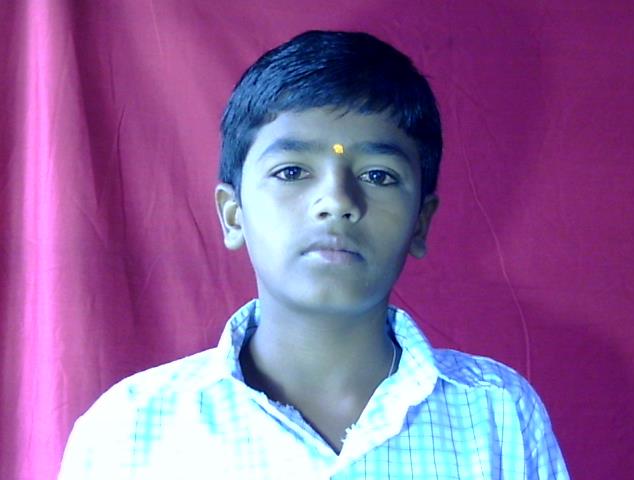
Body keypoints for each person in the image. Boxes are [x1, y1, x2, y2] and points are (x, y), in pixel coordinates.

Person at [59, 30, 569, 479]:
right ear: (233, 215)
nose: (337, 201)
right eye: (292, 172)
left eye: (379, 176)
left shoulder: (497, 415)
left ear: (420, 222)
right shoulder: (129, 430)